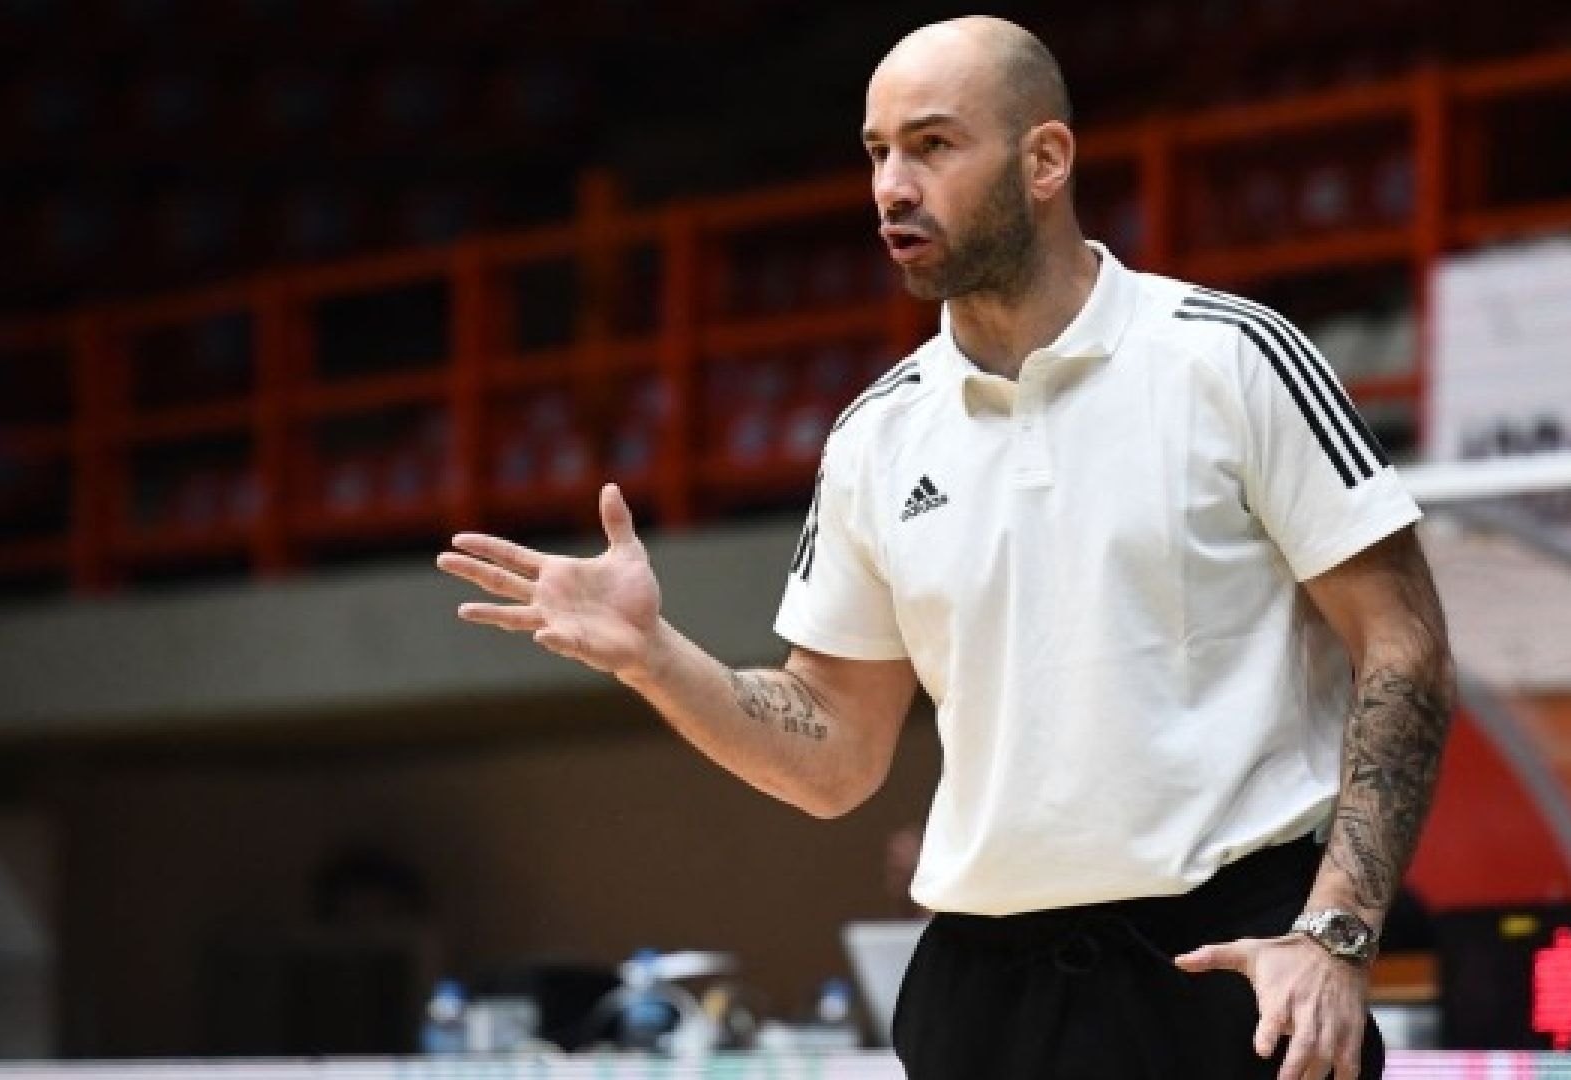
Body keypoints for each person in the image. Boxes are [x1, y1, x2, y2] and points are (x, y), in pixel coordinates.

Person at [437, 16, 1453, 1080]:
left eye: (931, 145)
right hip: (982, 996)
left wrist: (1338, 932)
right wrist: (655, 657)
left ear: (1045, 159)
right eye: (877, 153)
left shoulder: (1234, 359)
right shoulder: (875, 437)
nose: (892, 187)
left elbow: (1405, 646)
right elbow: (834, 754)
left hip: (1228, 974)